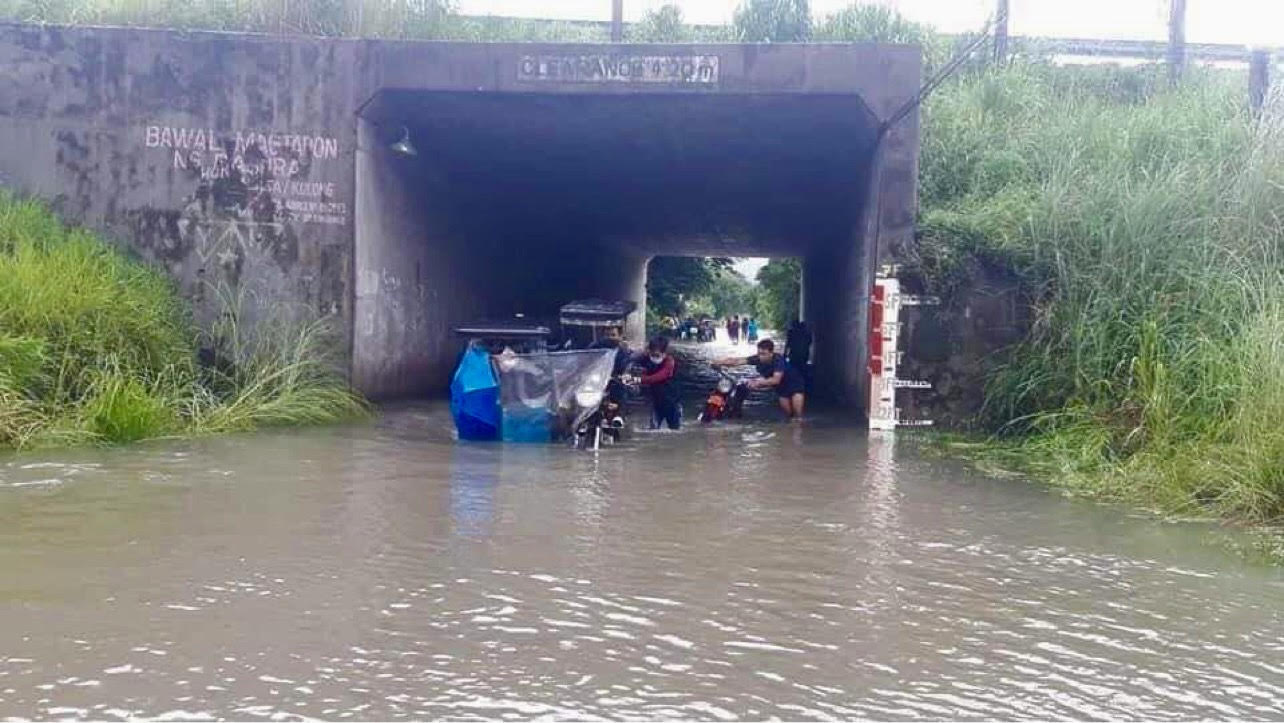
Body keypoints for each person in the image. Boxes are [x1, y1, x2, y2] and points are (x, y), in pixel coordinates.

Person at [713, 338, 806, 421]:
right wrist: (719, 362)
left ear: (771, 353)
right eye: (759, 353)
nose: (761, 357)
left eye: (764, 354)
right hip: (781, 388)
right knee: (789, 415)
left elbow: (775, 380)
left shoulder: (778, 360)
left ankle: (798, 434)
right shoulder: (758, 359)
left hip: (795, 384)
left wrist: (757, 382)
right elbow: (737, 361)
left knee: (797, 416)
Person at [636, 336, 681, 430]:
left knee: (675, 430)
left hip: (672, 402)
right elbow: (631, 362)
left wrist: (639, 379)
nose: (654, 357)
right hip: (656, 402)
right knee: (653, 430)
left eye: (657, 355)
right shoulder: (645, 359)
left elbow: (659, 377)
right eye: (652, 354)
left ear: (665, 353)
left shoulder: (670, 362)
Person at [589, 325, 632, 403]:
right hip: (596, 385)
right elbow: (588, 363)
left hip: (616, 386)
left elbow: (625, 369)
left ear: (620, 336)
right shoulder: (595, 349)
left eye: (613, 335)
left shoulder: (623, 353)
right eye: (607, 335)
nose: (609, 338)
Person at [784, 320, 813, 390]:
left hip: (794, 354)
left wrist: (784, 354)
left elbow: (788, 344)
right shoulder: (807, 333)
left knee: (793, 369)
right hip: (804, 354)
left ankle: (794, 385)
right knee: (802, 369)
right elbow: (810, 342)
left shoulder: (791, 332)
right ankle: (804, 385)